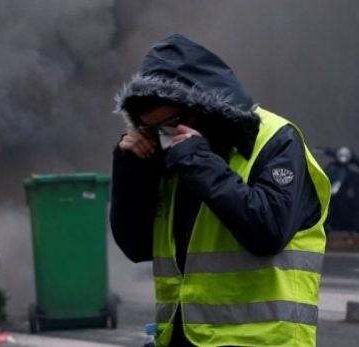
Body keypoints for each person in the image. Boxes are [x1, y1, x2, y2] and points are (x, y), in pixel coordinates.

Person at [110, 34, 330, 347]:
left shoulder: (275, 140)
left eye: (170, 124)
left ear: (202, 104)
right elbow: (137, 245)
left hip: (262, 341)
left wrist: (200, 162)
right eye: (152, 129)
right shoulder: (176, 153)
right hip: (182, 338)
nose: (164, 137)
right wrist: (130, 171)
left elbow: (267, 231)